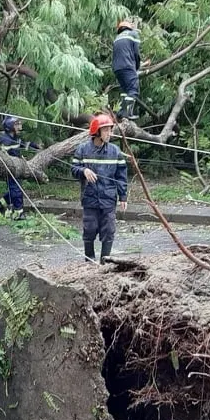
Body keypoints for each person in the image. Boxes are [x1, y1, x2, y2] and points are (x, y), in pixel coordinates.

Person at [71, 113, 128, 264]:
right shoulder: (82, 150)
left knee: (108, 231)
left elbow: (121, 175)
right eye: (106, 130)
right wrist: (83, 171)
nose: (109, 133)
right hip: (90, 198)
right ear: (97, 132)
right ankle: (89, 261)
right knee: (89, 230)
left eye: (110, 130)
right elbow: (73, 169)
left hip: (108, 199)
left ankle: (105, 262)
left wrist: (123, 196)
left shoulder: (115, 151)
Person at [0, 115, 41, 220]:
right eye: (17, 125)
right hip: (10, 170)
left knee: (14, 189)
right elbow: (4, 156)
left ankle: (0, 204)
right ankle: (18, 213)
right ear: (10, 126)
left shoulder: (14, 138)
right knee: (16, 190)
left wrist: (35, 146)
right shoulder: (5, 140)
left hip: (17, 169)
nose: (20, 127)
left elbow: (23, 144)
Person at [113, 19, 141, 120]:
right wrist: (137, 68)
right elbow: (136, 53)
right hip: (128, 66)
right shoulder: (133, 34)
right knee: (133, 90)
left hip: (117, 68)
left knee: (125, 91)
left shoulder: (117, 38)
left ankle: (121, 113)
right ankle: (128, 114)